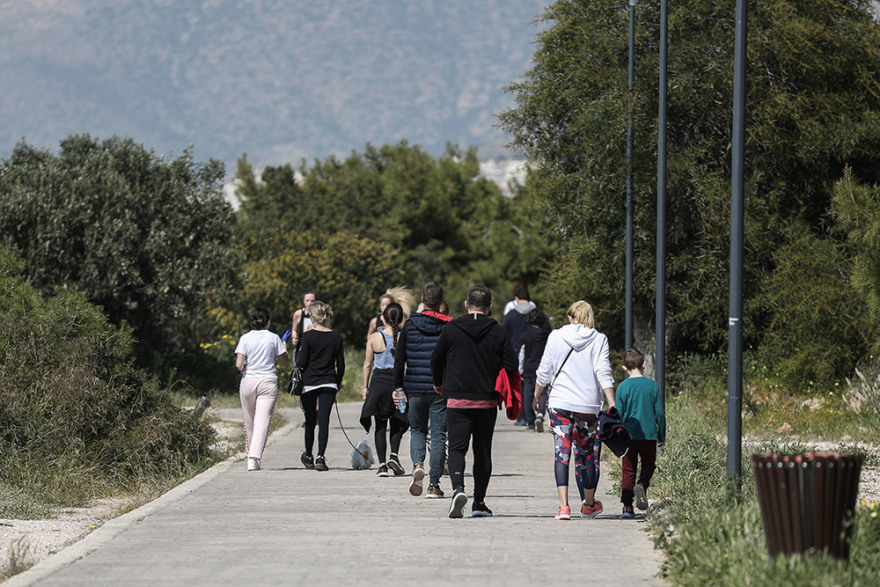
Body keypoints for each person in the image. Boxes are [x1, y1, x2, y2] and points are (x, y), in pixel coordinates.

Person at [431, 285, 517, 518]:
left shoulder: (452, 329)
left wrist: (439, 382)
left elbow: (436, 359)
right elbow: (511, 365)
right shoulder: (498, 331)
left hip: (457, 397)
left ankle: (458, 489)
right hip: (486, 400)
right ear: (489, 307)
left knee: (457, 448)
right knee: (482, 451)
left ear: (467, 304)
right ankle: (479, 502)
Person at [533, 300, 615, 520]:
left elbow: (544, 370)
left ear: (571, 316)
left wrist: (536, 394)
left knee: (562, 453)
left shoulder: (556, 336)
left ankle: (564, 507)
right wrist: (612, 402)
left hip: (560, 404)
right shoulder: (599, 339)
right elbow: (603, 371)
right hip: (587, 406)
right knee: (586, 455)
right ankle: (589, 505)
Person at [393, 281, 452, 498]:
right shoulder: (449, 326)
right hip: (440, 389)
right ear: (441, 302)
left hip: (414, 388)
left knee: (417, 430)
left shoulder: (409, 325)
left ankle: (418, 464)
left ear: (422, 300)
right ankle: (434, 485)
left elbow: (399, 360)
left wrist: (398, 387)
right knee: (438, 435)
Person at [234, 307, 289, 471]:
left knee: (249, 420)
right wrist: (284, 345)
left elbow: (238, 364)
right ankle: (254, 457)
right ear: (268, 322)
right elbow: (284, 361)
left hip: (248, 381)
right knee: (262, 420)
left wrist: (245, 367)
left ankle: (250, 453)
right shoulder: (274, 338)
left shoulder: (245, 338)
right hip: (267, 381)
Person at [616, 348, 666, 518]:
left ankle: (627, 507)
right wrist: (662, 434)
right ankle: (642, 484)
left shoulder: (622, 387)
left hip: (628, 435)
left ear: (625, 368)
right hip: (648, 434)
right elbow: (659, 412)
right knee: (649, 465)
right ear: (643, 364)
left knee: (628, 469)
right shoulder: (652, 385)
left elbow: (619, 414)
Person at [360, 302, 409, 476]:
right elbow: (407, 365)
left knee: (380, 425)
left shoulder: (374, 337)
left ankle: (382, 465)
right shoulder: (405, 336)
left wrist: (365, 387)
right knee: (397, 421)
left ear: (383, 319)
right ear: (401, 319)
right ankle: (394, 455)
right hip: (397, 383)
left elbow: (367, 364)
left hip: (379, 382)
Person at [296, 301, 345, 472]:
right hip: (329, 382)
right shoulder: (336, 337)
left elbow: (301, 362)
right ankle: (320, 458)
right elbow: (341, 365)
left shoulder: (307, 336)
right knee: (324, 421)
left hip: (309, 383)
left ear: (312, 317)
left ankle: (308, 455)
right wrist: (337, 383)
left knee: (310, 421)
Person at [502, 285, 539, 426]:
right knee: (532, 385)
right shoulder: (536, 314)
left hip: (515, 353)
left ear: (516, 299)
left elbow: (502, 333)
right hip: (535, 353)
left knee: (518, 386)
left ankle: (521, 416)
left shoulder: (510, 315)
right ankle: (535, 414)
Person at [515, 307, 551, 432]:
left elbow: (522, 354)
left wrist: (519, 370)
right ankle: (540, 415)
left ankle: (530, 421)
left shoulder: (525, 336)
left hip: (529, 368)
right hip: (543, 368)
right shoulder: (547, 336)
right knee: (543, 393)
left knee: (528, 395)